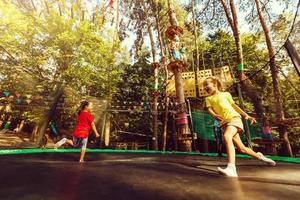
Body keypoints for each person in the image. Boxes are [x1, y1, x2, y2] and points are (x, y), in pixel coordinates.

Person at [203, 76, 276, 177]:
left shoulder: (226, 94)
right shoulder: (208, 99)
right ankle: (261, 157)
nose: (205, 87)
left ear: (215, 84)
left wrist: (246, 115)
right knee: (242, 149)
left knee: (226, 137)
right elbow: (209, 109)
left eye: (207, 85)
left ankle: (231, 168)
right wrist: (214, 115)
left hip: (234, 118)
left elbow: (234, 106)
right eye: (204, 86)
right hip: (224, 123)